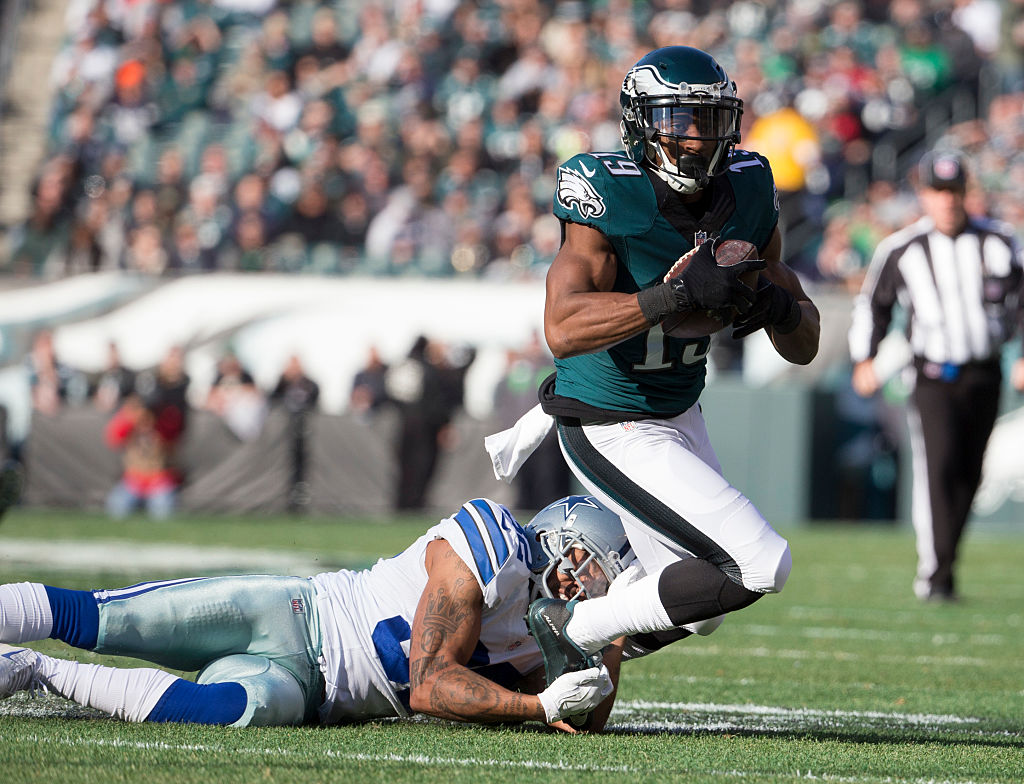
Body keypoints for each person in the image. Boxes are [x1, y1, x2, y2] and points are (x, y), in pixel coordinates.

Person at [485, 46, 820, 680]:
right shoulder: (608, 189)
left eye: (709, 120)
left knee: (700, 605)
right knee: (759, 562)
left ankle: (542, 645)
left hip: (679, 408)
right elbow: (562, 327)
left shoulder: (749, 185)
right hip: (609, 419)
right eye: (679, 120)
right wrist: (674, 295)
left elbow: (805, 344)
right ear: (642, 123)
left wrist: (774, 301)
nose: (696, 138)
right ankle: (576, 628)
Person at [0, 496, 632, 731]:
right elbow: (432, 683)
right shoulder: (491, 545)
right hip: (296, 616)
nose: (601, 593)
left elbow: (586, 720)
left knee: (227, 714)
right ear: (571, 552)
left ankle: (28, 670)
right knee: (104, 621)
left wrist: (612, 634)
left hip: (314, 696)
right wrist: (538, 706)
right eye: (605, 576)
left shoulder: (548, 626)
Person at [848, 149, 1024, 602]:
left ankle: (945, 566)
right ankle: (935, 574)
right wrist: (864, 358)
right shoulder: (902, 247)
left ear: (968, 192)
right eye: (938, 191)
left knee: (969, 473)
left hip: (984, 373)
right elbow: (874, 304)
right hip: (931, 375)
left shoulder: (1001, 241)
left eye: (954, 191)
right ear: (925, 194)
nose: (947, 200)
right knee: (939, 468)